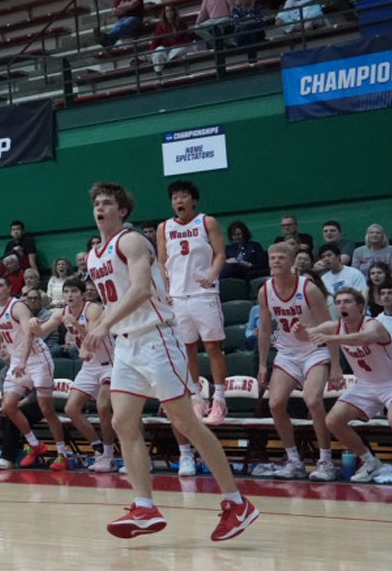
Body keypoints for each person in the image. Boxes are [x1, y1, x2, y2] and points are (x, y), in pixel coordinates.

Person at [79, 182, 258, 542]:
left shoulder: (130, 241)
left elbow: (142, 289)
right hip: (128, 344)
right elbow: (115, 301)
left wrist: (103, 326)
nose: (100, 207)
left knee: (185, 422)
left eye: (108, 202)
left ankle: (237, 503)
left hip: (158, 338)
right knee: (123, 420)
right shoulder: (95, 254)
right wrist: (95, 330)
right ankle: (144, 506)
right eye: (96, 202)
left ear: (122, 211)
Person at [299, 289, 392, 485]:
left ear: (360, 307)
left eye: (347, 301)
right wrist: (299, 331)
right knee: (333, 421)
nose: (342, 305)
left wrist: (332, 339)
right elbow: (307, 335)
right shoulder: (335, 326)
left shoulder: (374, 325)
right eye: (339, 302)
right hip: (366, 385)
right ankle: (369, 461)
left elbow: (365, 338)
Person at [256, 242, 339, 480]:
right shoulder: (265, 290)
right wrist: (263, 364)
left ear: (292, 261)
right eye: (272, 257)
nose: (276, 261)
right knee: (275, 404)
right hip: (287, 353)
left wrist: (336, 365)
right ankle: (294, 460)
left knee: (312, 400)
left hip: (315, 350)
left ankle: (325, 461)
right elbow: (264, 328)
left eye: (281, 257)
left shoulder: (309, 288)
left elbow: (330, 328)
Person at [160, 181, 229, 429]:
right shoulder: (164, 227)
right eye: (175, 197)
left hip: (203, 294)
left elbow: (220, 253)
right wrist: (164, 289)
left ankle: (219, 399)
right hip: (177, 296)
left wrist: (211, 276)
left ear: (194, 201)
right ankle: (196, 397)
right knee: (186, 349)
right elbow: (161, 261)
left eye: (183, 196)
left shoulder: (206, 222)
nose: (179, 200)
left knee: (212, 347)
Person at [0, 277, 71, 469]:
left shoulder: (18, 307)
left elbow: (29, 334)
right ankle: (35, 444)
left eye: (1, 285)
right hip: (18, 360)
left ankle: (62, 453)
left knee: (46, 408)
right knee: (8, 406)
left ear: (9, 288)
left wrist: (23, 360)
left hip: (37, 358)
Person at [58, 278, 118, 472]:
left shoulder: (93, 310)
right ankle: (97, 446)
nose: (69, 295)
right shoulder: (64, 312)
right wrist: (35, 325)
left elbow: (92, 340)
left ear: (83, 294)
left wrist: (76, 325)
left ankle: (108, 455)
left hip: (109, 363)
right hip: (90, 367)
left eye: (74, 291)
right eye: (66, 291)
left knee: (102, 406)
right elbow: (44, 327)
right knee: (71, 408)